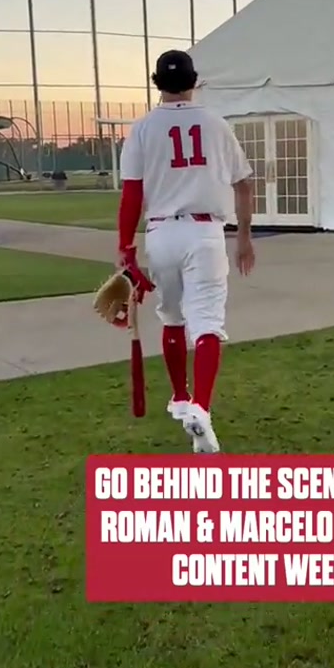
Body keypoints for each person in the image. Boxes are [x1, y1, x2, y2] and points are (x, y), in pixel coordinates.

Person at [116, 49, 255, 452]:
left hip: (161, 232)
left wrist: (125, 248)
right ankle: (202, 408)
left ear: (156, 82)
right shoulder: (215, 124)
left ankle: (180, 397)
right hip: (205, 231)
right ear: (195, 81)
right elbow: (244, 183)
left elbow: (131, 195)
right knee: (208, 323)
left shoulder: (142, 128)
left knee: (172, 318)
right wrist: (244, 237)